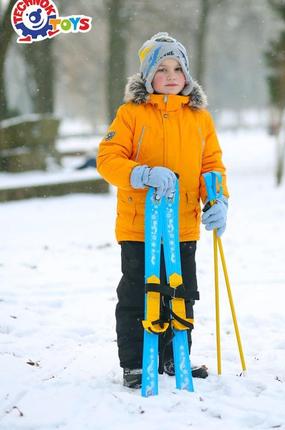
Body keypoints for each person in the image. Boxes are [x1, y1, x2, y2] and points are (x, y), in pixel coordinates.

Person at [97, 32, 229, 389]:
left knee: (180, 292)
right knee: (138, 292)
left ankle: (175, 356)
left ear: (187, 74)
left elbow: (211, 165)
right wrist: (140, 173)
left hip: (183, 225)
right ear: (146, 76)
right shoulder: (131, 114)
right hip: (140, 225)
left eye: (178, 68)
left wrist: (217, 200)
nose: (171, 76)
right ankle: (136, 361)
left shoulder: (199, 118)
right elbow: (108, 159)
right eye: (162, 69)